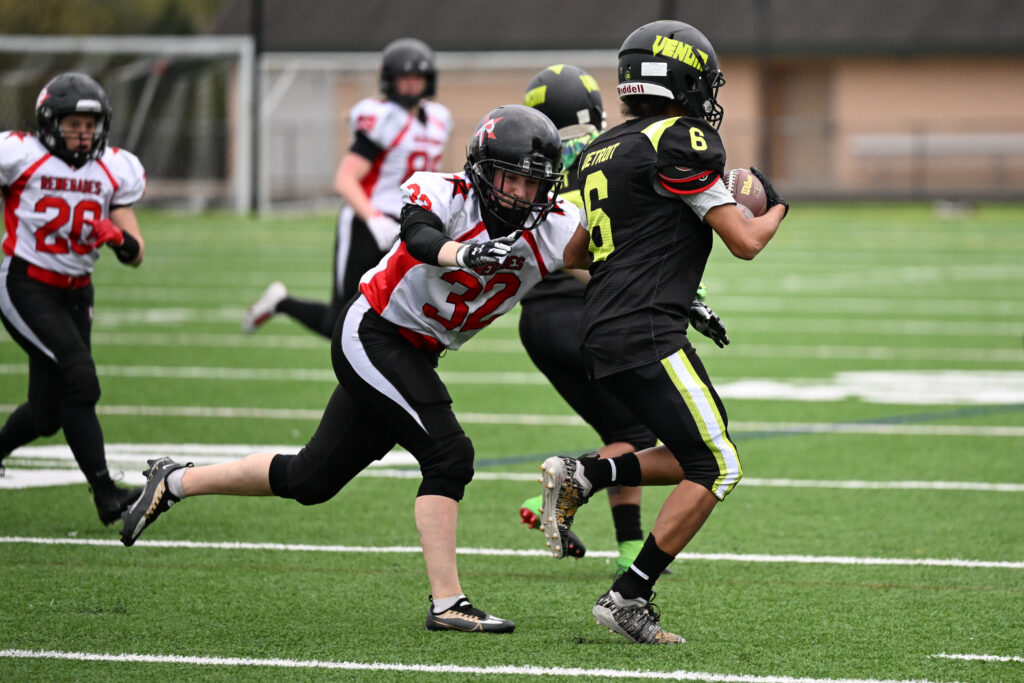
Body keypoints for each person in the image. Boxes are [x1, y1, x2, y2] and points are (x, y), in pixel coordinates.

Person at [121, 104, 590, 634]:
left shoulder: (555, 228)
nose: (521, 197)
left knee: (311, 478)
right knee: (449, 455)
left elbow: (606, 265)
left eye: (534, 185)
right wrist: (464, 254)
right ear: (482, 169)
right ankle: (448, 603)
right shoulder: (443, 192)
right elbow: (417, 237)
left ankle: (176, 481)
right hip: (373, 330)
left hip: (416, 350)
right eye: (511, 180)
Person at [539, 20, 788, 644]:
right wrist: (775, 200)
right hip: (645, 330)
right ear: (679, 78)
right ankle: (629, 594)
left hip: (598, 328)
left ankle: (589, 474)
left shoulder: (605, 148)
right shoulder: (681, 140)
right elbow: (747, 242)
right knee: (720, 464)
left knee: (688, 456)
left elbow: (576, 251)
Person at [515, 64, 730, 576]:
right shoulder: (609, 154)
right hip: (588, 309)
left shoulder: (535, 163)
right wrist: (687, 294)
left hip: (537, 317)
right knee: (654, 438)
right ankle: (574, 484)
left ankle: (624, 541)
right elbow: (611, 254)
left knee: (629, 429)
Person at [0, 72, 146, 524]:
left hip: (76, 293)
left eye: (91, 124)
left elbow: (136, 253)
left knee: (46, 414)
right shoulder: (20, 155)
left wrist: (117, 237)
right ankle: (106, 493)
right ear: (50, 122)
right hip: (25, 283)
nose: (83, 133)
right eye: (73, 124)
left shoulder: (113, 168)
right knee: (80, 378)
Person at [241, 38, 453, 338]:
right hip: (367, 223)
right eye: (404, 79)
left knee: (400, 312)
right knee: (339, 321)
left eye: (417, 79)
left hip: (410, 224)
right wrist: (373, 218)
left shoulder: (439, 119)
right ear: (390, 81)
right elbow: (345, 178)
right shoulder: (384, 118)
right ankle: (281, 304)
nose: (411, 86)